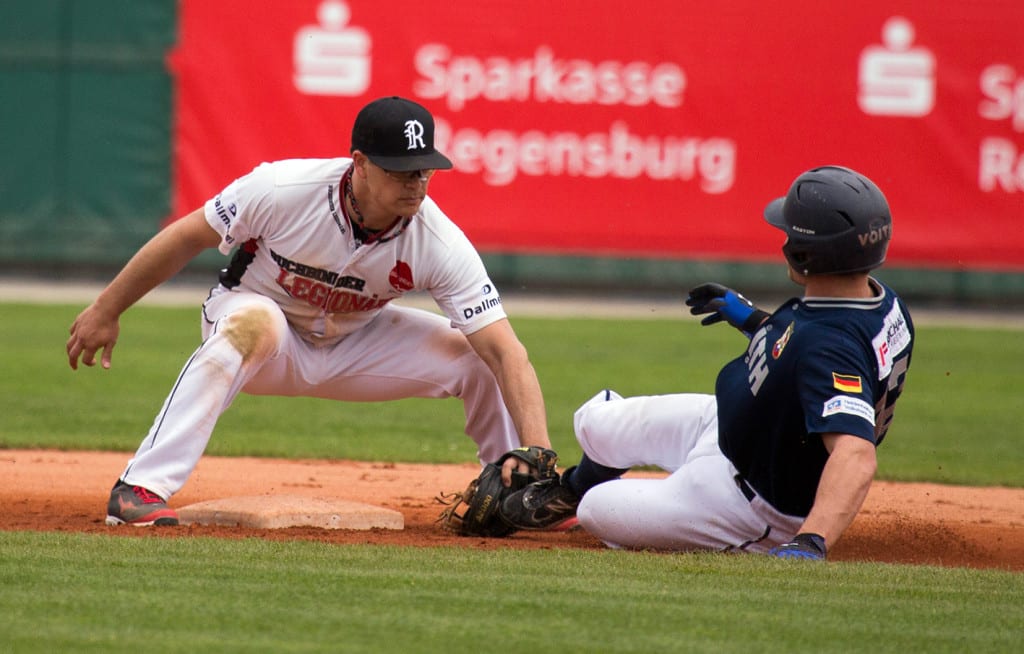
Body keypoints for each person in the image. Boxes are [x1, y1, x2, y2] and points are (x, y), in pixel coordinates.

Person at [66, 96, 553, 526]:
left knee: (476, 354)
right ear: (359, 163)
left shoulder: (437, 240)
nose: (416, 183)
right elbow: (187, 236)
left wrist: (539, 451)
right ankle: (141, 488)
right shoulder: (282, 189)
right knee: (250, 326)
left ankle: (521, 493)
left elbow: (507, 352)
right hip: (266, 329)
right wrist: (106, 309)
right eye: (401, 170)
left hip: (357, 345)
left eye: (424, 170)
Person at [500, 165, 914, 560]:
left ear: (805, 251)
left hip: (744, 504)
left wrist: (811, 541)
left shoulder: (829, 343)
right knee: (596, 423)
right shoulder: (879, 302)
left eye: (788, 231)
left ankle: (589, 500)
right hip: (726, 429)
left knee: (598, 509)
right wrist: (754, 321)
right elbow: (812, 354)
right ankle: (569, 490)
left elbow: (856, 452)